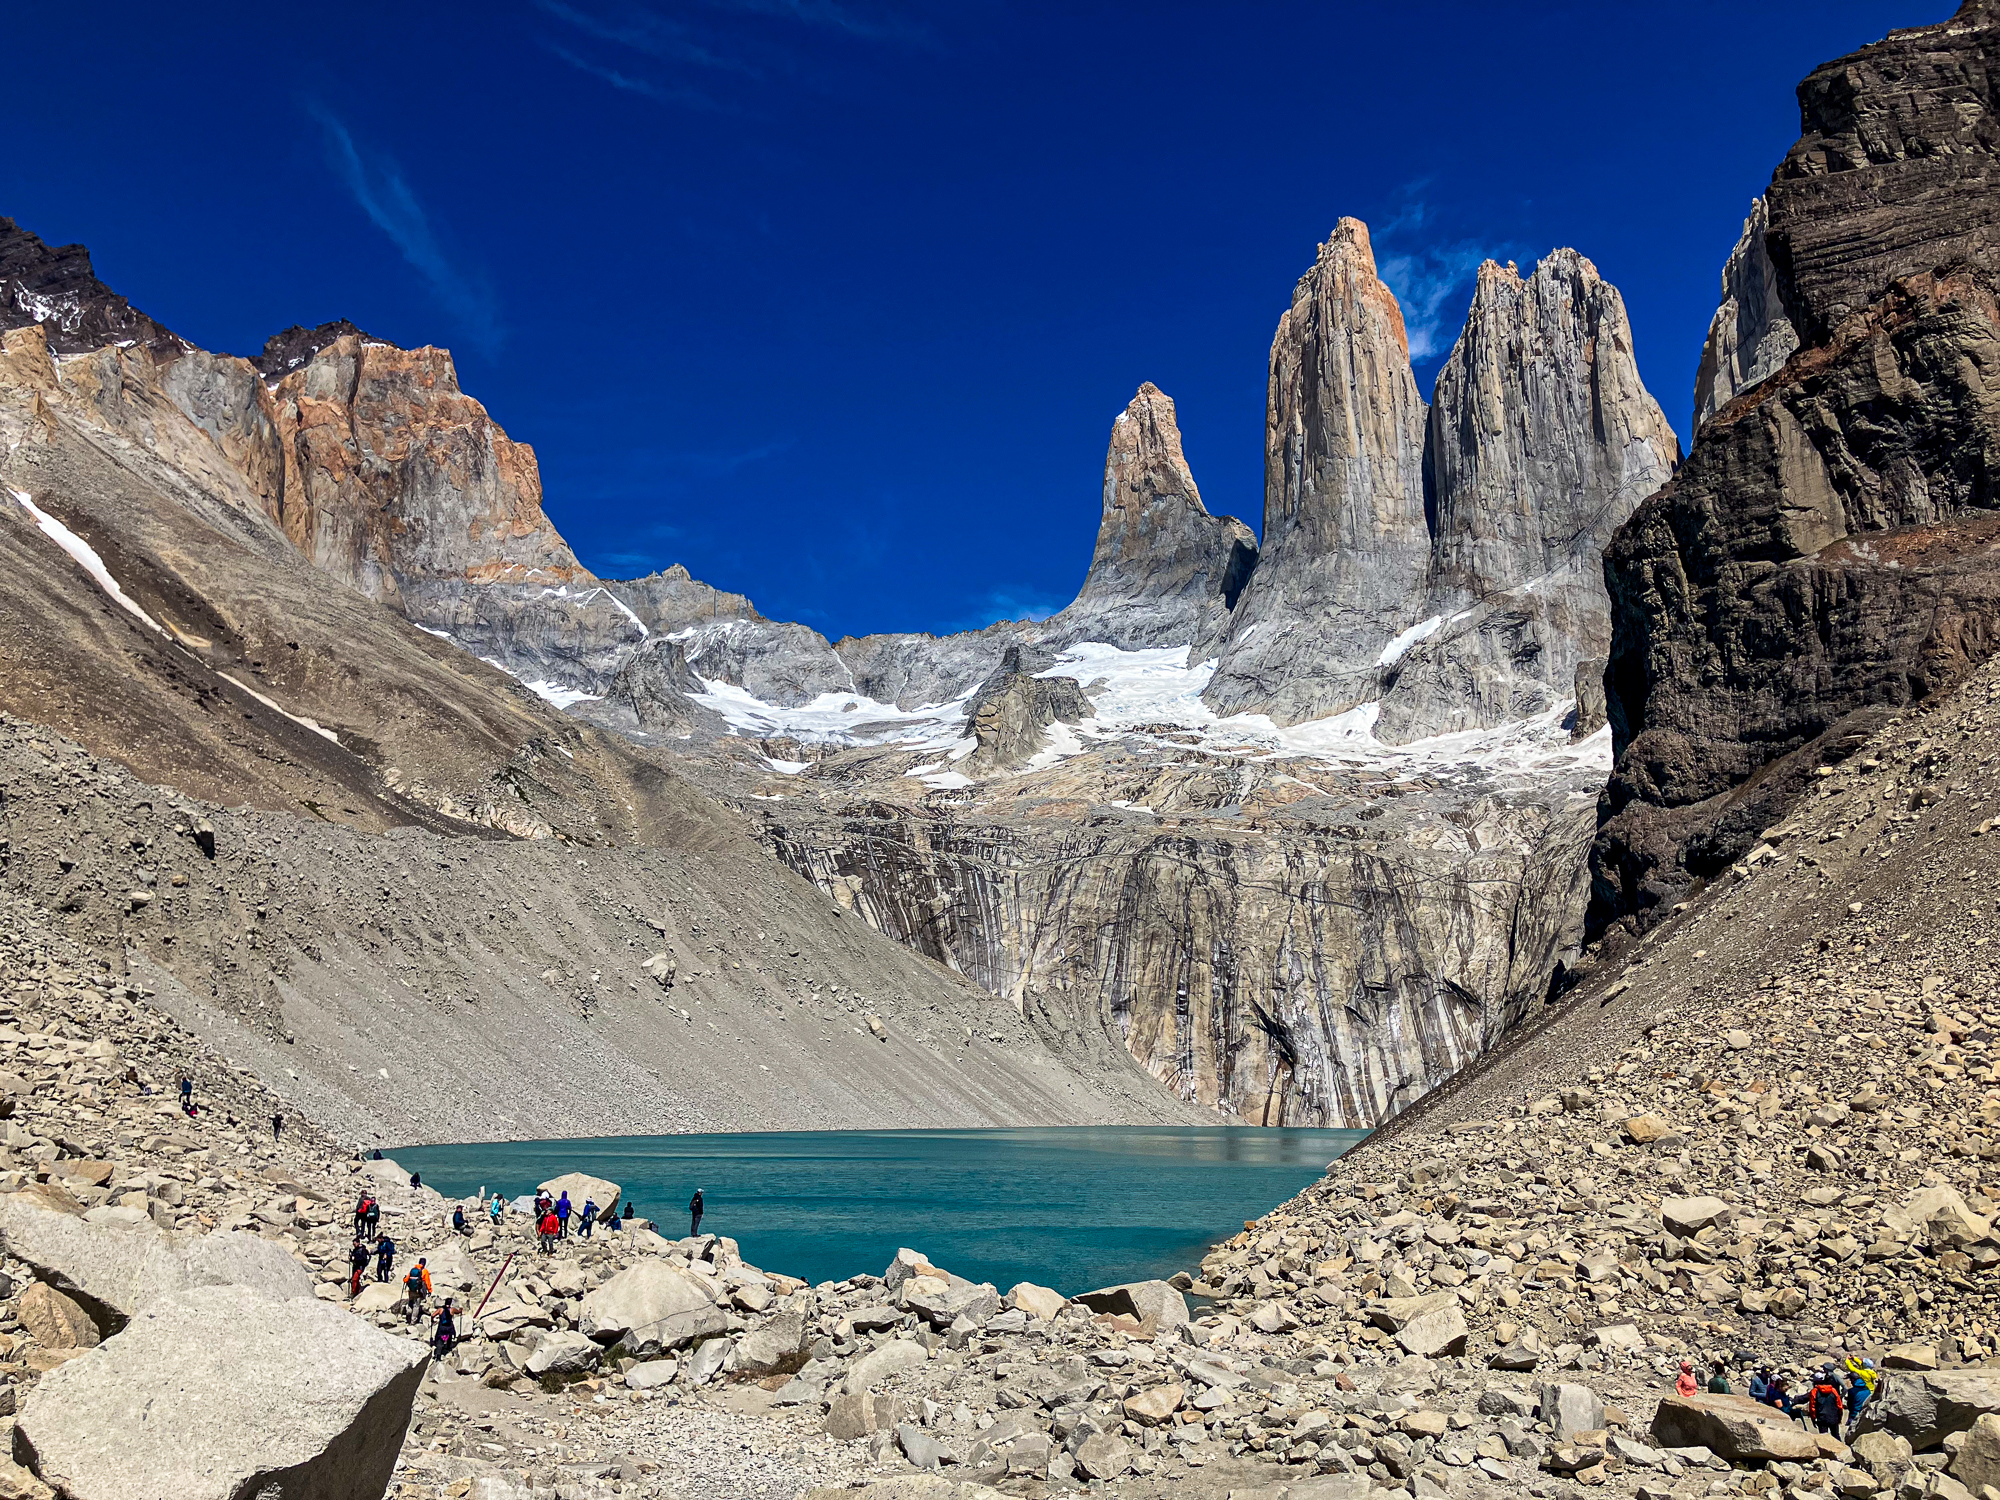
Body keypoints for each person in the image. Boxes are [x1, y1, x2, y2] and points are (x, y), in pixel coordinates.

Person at [1845, 1356, 1878, 1436]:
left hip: (1863, 1391)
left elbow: (1852, 1368)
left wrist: (1847, 1360)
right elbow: (1861, 1364)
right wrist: (1854, 1358)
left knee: (1858, 1406)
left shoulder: (1863, 1373)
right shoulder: (1871, 1372)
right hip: (1870, 1391)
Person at [1809, 1368, 1845, 1436]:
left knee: (1824, 1438)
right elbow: (1839, 1405)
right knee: (1836, 1435)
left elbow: (1812, 1407)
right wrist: (1839, 1417)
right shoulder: (1833, 1390)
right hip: (1833, 1417)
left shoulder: (1814, 1391)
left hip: (1821, 1418)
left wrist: (1813, 1419)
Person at [403, 1258, 431, 1325]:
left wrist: (404, 1279)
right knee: (416, 1306)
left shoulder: (413, 1270)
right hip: (418, 1292)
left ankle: (408, 1316)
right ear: (424, 1263)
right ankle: (413, 1321)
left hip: (411, 1290)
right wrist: (429, 1290)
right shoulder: (424, 1271)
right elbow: (427, 1282)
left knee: (410, 1303)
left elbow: (406, 1280)